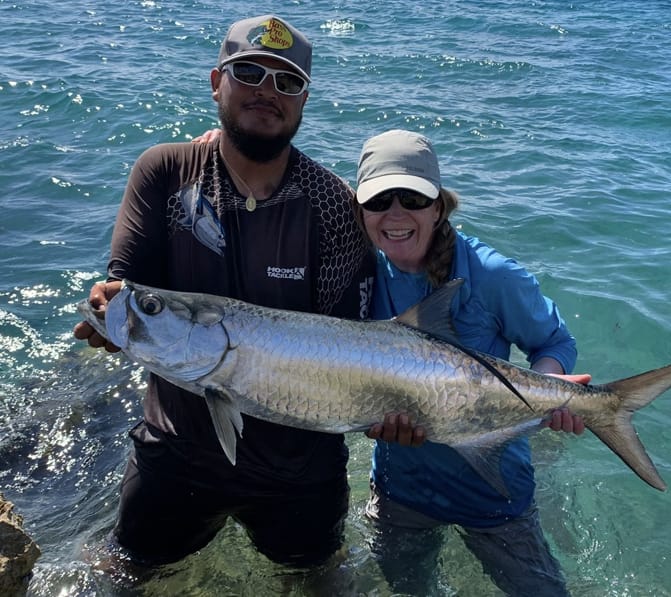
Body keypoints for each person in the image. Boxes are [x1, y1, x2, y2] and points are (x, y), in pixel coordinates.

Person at [73, 15, 375, 572]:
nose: (267, 91)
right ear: (217, 81)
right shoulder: (165, 172)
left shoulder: (335, 204)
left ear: (305, 99)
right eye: (249, 72)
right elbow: (126, 296)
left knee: (321, 579)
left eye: (287, 82)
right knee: (121, 573)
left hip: (301, 467)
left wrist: (389, 408)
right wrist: (106, 319)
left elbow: (351, 347)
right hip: (175, 452)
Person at [353, 129, 586, 596]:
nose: (395, 214)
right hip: (401, 491)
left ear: (438, 207)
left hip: (495, 491)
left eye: (412, 199)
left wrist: (547, 394)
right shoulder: (358, 271)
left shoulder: (493, 275)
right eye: (380, 201)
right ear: (361, 211)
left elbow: (555, 343)